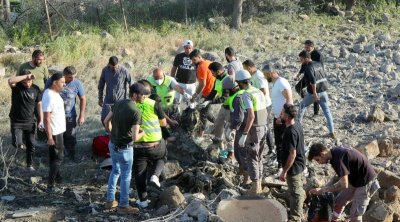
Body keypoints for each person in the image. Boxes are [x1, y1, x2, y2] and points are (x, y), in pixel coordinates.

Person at [308, 143, 380, 222]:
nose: (318, 163)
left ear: (322, 154)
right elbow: (343, 180)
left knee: (355, 214)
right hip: (353, 179)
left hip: (366, 181)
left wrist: (322, 190)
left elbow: (344, 185)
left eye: (317, 160)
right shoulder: (334, 153)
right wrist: (323, 189)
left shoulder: (338, 159)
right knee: (339, 201)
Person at [103, 83, 144, 214]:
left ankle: (110, 201)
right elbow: (135, 137)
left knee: (115, 171)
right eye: (142, 95)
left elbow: (106, 121)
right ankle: (123, 205)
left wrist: (111, 133)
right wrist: (143, 133)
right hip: (125, 148)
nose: (143, 97)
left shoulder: (119, 103)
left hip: (113, 144)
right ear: (135, 95)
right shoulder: (136, 111)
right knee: (126, 176)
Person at [229, 70, 267, 195]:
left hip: (254, 128)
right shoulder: (259, 91)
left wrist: (244, 134)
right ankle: (259, 184)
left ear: (240, 83)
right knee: (259, 156)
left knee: (251, 156)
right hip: (263, 126)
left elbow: (250, 116)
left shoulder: (246, 94)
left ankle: (255, 187)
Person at [133, 82, 168, 209]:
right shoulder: (153, 104)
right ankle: (155, 176)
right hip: (155, 144)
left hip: (137, 147)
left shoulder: (130, 105)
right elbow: (163, 123)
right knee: (162, 157)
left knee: (139, 174)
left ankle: (143, 201)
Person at [46, 66, 86, 160]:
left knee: (70, 136)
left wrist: (81, 115)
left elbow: (83, 98)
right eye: (69, 77)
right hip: (55, 116)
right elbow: (46, 95)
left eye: (74, 77)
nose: (72, 79)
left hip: (70, 115)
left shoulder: (77, 83)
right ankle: (57, 157)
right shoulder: (53, 81)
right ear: (64, 75)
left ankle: (71, 155)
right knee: (56, 137)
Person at [8, 71, 42, 171]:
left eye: (29, 81)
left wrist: (41, 119)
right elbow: (10, 80)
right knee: (17, 144)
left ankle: (29, 165)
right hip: (16, 121)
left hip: (30, 122)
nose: (27, 84)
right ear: (22, 80)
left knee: (31, 144)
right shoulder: (16, 87)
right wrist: (26, 76)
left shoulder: (36, 89)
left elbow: (39, 104)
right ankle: (22, 145)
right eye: (25, 82)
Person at [262, 63, 293, 176]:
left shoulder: (281, 82)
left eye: (266, 75)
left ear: (271, 73)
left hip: (284, 119)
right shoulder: (275, 83)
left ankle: (288, 167)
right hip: (278, 118)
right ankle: (281, 166)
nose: (265, 77)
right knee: (279, 143)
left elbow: (289, 99)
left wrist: (282, 116)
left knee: (287, 144)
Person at [297, 50, 335, 139]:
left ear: (306, 58)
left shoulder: (308, 67)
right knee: (326, 111)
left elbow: (313, 81)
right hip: (324, 91)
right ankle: (332, 131)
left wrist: (314, 93)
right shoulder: (318, 64)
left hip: (314, 93)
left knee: (302, 106)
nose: (300, 61)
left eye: (301, 59)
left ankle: (297, 129)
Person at [201, 62, 236, 159]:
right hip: (224, 107)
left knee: (229, 132)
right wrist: (205, 100)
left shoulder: (227, 80)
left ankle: (231, 152)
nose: (212, 74)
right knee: (218, 125)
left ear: (219, 71)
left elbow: (223, 98)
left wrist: (209, 102)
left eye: (213, 72)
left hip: (231, 109)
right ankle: (221, 149)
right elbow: (213, 92)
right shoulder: (218, 79)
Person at [278, 104, 306, 222]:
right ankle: (299, 204)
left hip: (293, 167)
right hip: (300, 163)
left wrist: (284, 171)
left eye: (283, 113)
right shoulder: (296, 124)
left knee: (295, 193)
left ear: (288, 117)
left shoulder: (290, 132)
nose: (281, 114)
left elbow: (292, 154)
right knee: (296, 189)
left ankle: (296, 216)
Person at [243, 59, 274, 155]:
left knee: (265, 125)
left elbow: (263, 91)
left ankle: (271, 148)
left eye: (245, 69)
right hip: (260, 105)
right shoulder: (253, 76)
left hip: (264, 105)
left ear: (250, 68)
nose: (245, 71)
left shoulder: (258, 76)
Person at [42, 72, 66, 192]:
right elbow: (46, 118)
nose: (64, 84)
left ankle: (58, 178)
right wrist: (50, 137)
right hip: (55, 132)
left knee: (54, 157)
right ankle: (50, 185)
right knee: (59, 157)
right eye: (62, 82)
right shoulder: (49, 96)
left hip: (58, 130)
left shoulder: (54, 93)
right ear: (55, 83)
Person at [189, 49, 216, 137]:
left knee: (203, 114)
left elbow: (202, 84)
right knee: (206, 111)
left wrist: (195, 95)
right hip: (213, 91)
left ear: (199, 57)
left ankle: (200, 134)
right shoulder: (208, 62)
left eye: (194, 60)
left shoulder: (201, 67)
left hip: (208, 93)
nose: (193, 62)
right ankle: (220, 123)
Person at [98, 56, 132, 124]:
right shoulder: (105, 70)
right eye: (113, 67)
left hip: (121, 100)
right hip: (108, 100)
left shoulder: (124, 70)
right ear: (109, 64)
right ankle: (109, 133)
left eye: (116, 66)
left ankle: (117, 133)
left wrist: (132, 98)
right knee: (104, 119)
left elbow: (131, 83)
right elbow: (101, 85)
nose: (114, 68)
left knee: (120, 120)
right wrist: (100, 98)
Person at [295, 40, 324, 116]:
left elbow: (320, 66)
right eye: (305, 47)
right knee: (298, 87)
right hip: (307, 76)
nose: (306, 49)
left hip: (316, 77)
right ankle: (307, 100)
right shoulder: (306, 54)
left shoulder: (318, 54)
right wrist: (298, 74)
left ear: (313, 47)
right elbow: (303, 64)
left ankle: (316, 113)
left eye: (307, 47)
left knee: (315, 92)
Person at [171, 40, 197, 105]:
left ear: (192, 48)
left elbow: (199, 69)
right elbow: (174, 68)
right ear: (184, 48)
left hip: (191, 84)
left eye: (189, 48)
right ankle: (177, 114)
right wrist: (172, 80)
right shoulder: (178, 56)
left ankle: (190, 114)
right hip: (180, 83)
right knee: (177, 102)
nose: (188, 49)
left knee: (191, 102)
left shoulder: (196, 57)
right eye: (186, 47)